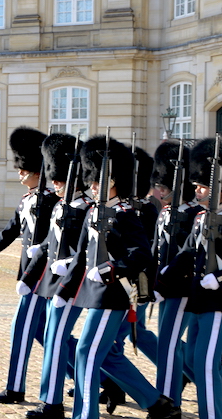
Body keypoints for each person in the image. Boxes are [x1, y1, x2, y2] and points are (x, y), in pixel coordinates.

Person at [59, 135, 174, 419]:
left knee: (87, 351)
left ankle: (86, 415)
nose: (91, 186)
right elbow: (82, 256)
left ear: (111, 182)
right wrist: (64, 291)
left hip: (115, 294)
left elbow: (142, 255)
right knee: (89, 351)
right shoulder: (93, 212)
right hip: (94, 294)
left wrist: (113, 268)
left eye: (96, 181)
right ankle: (152, 404)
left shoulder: (125, 214)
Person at [158, 137, 222, 419]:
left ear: (218, 189)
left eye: (203, 186)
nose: (198, 191)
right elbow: (189, 251)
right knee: (193, 360)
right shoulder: (202, 218)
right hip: (200, 301)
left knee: (204, 363)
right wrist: (163, 279)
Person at [0, 126, 60, 404]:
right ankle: (104, 377)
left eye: (24, 168)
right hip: (28, 276)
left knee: (21, 328)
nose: (19, 172)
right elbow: (9, 232)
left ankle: (15, 387)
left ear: (36, 170)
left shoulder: (51, 200)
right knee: (49, 336)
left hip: (40, 276)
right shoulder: (28, 199)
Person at [21, 132, 92, 419]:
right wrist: (28, 277)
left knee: (56, 336)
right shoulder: (62, 205)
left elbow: (88, 250)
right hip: (56, 282)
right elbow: (49, 242)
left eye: (59, 180)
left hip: (76, 283)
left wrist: (70, 265)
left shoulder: (87, 207)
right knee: (54, 336)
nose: (55, 184)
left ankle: (52, 402)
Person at [149, 140, 201, 414]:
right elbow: (155, 250)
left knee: (168, 345)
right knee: (169, 346)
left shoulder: (194, 213)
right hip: (164, 289)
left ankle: (169, 403)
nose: (159, 189)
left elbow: (190, 253)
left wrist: (166, 277)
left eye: (164, 185)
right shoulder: (167, 211)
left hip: (182, 289)